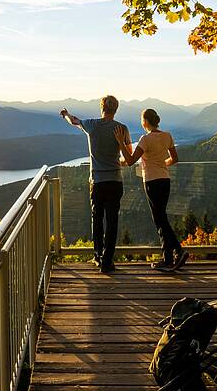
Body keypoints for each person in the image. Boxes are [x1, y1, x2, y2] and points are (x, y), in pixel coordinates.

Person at [60, 95, 130, 273]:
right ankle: (108, 260)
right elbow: (127, 155)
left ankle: (98, 255)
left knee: (97, 219)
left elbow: (74, 121)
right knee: (112, 221)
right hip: (115, 181)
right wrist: (115, 161)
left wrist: (66, 114)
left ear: (102, 107)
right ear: (116, 109)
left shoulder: (91, 125)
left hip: (97, 181)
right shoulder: (122, 128)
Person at [115, 108, 189, 272]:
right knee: (161, 218)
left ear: (145, 121)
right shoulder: (167, 136)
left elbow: (130, 161)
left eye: (142, 119)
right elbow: (175, 158)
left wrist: (120, 142)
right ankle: (168, 259)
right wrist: (162, 164)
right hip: (165, 180)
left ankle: (179, 250)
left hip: (152, 182)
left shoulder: (145, 139)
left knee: (160, 219)